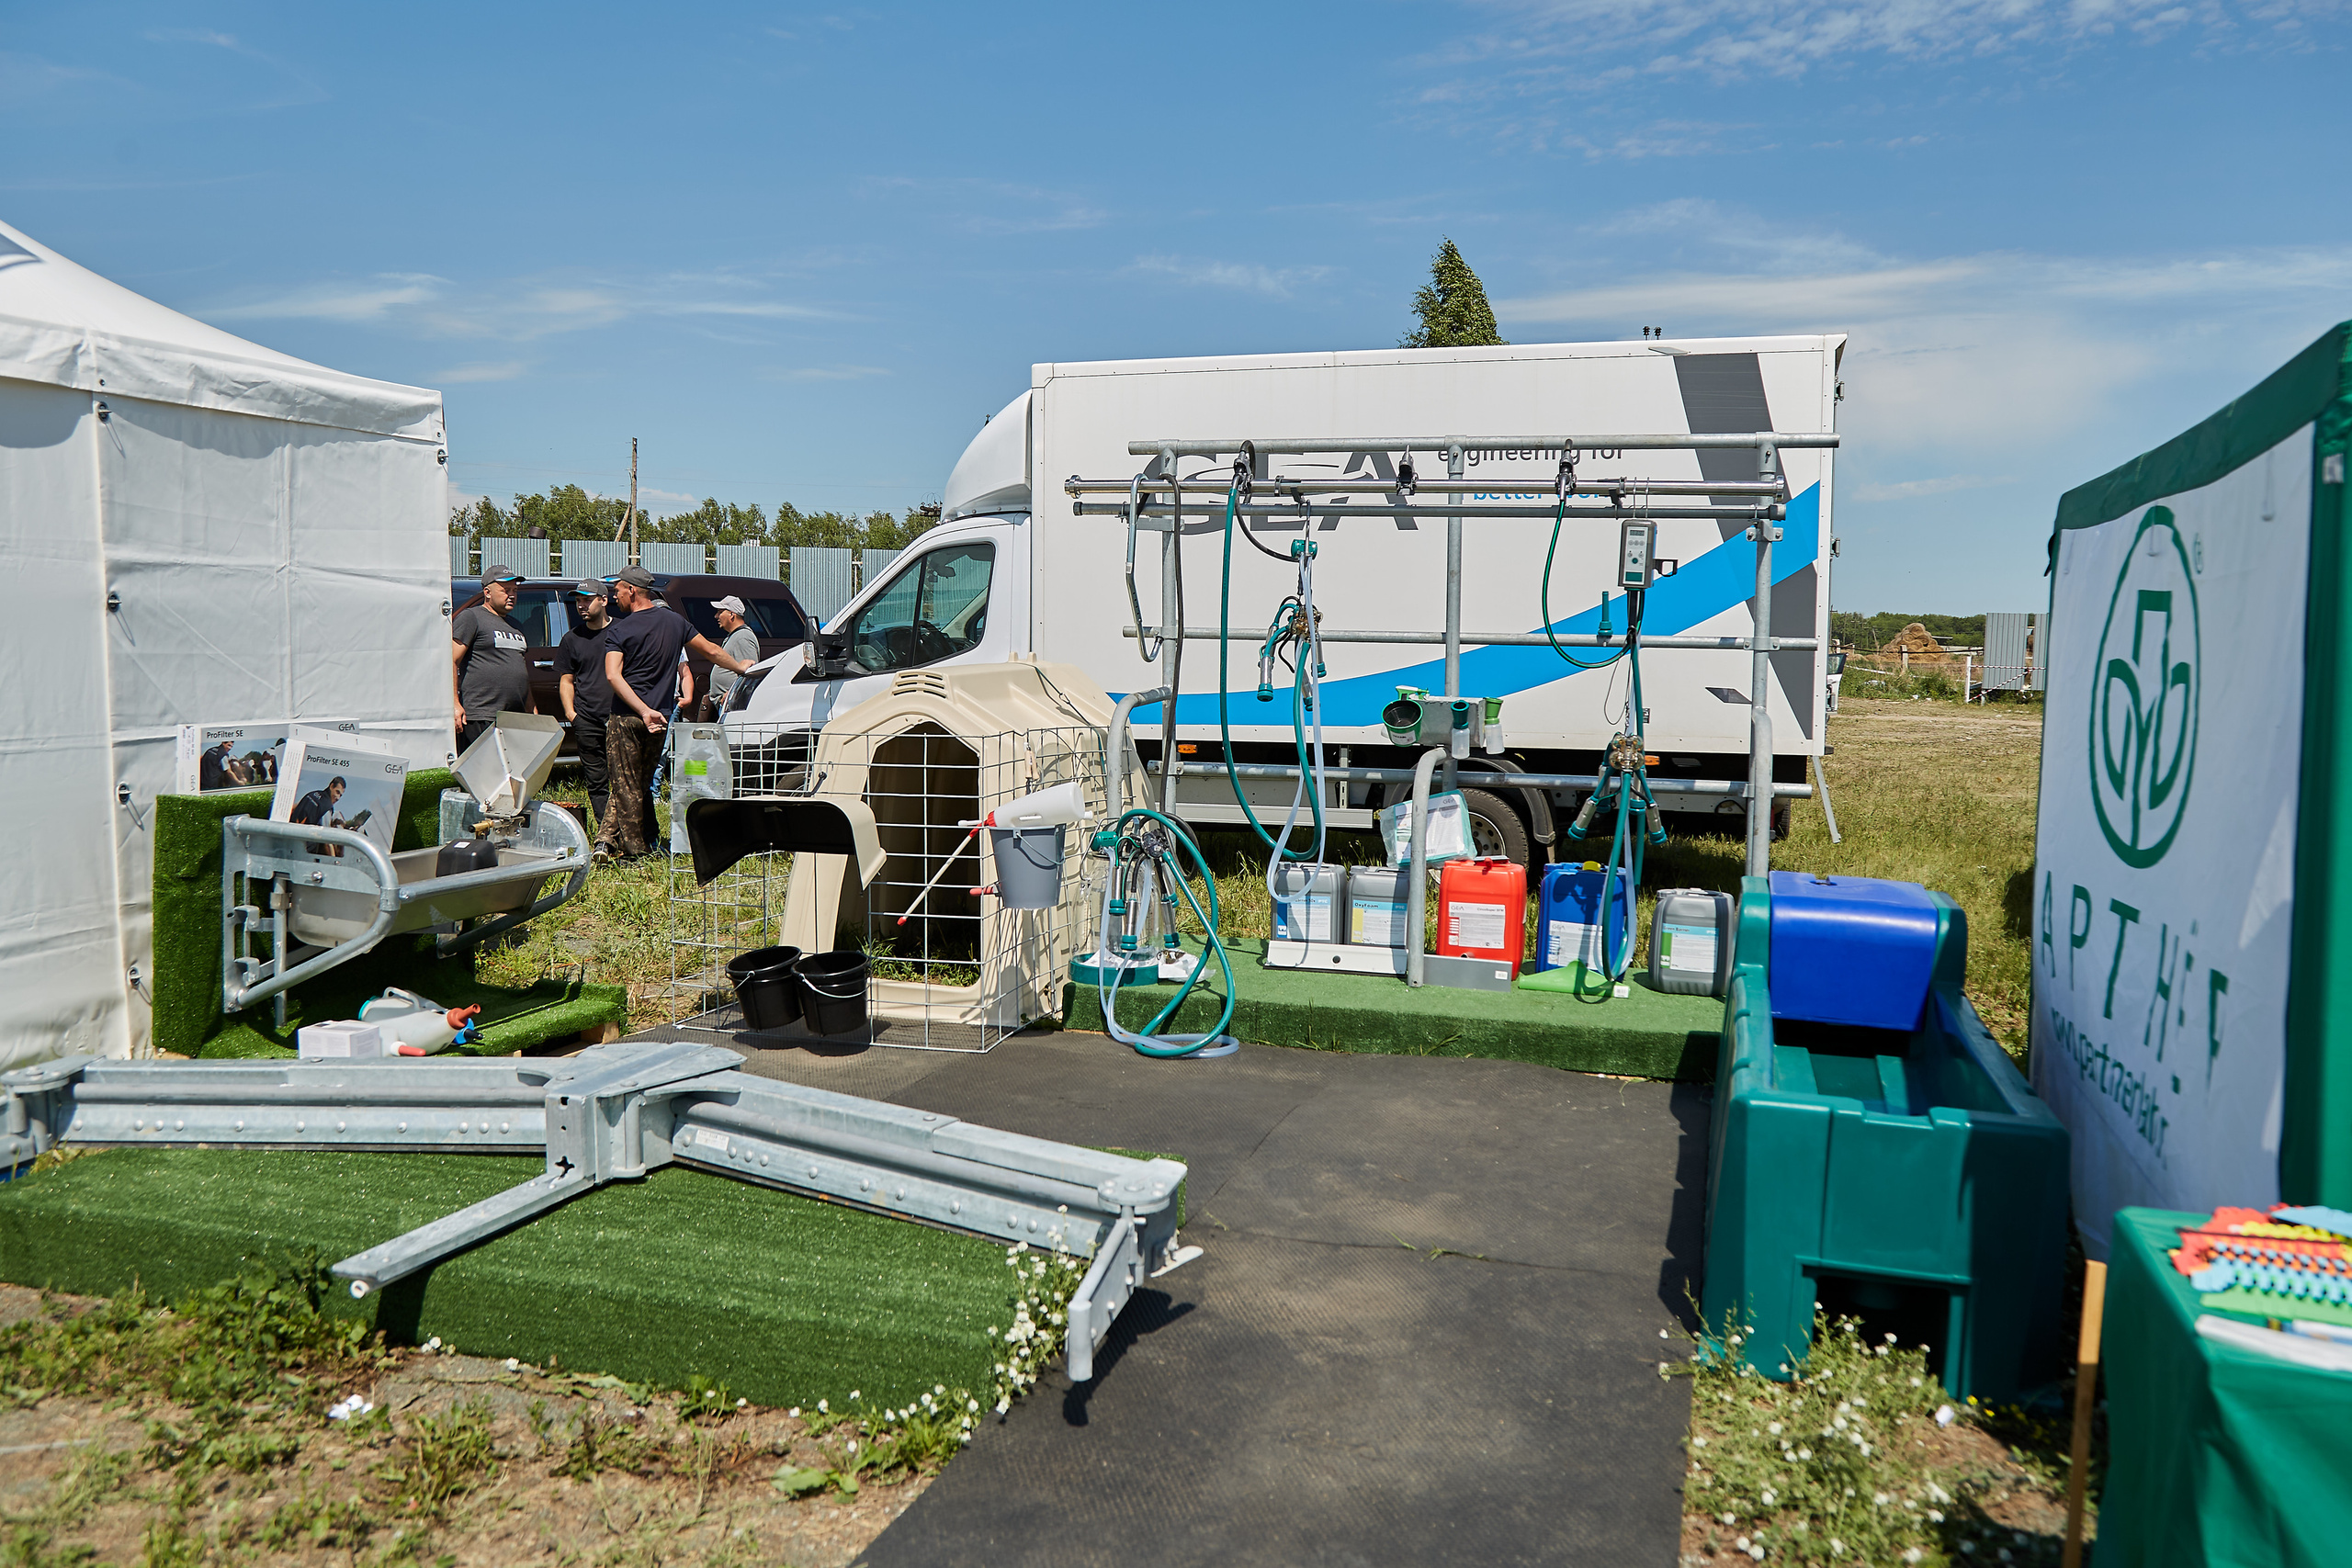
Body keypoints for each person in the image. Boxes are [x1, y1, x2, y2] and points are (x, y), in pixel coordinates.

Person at [597, 567, 755, 861]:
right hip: (661, 716)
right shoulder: (676, 622)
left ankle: (635, 853)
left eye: (617, 589)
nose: (614, 595)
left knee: (626, 786)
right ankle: (613, 840)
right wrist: (739, 667)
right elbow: (710, 651)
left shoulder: (619, 630)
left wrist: (642, 710)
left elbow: (612, 675)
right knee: (641, 784)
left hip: (627, 718)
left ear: (632, 590)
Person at [451, 567, 537, 752]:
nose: (512, 595)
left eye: (515, 590)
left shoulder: (516, 626)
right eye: (506, 590)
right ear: (487, 592)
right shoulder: (472, 617)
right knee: (482, 768)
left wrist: (531, 709)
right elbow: (451, 661)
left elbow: (521, 671)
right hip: (481, 715)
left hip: (513, 717)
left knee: (510, 767)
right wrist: (455, 704)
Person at [554, 579, 616, 829]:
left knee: (625, 781)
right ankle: (605, 833)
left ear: (604, 600)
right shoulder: (572, 638)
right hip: (587, 720)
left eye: (587, 600)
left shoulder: (622, 631)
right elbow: (566, 680)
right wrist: (572, 715)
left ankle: (630, 832)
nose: (581, 605)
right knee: (596, 781)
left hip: (620, 718)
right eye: (578, 600)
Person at [703, 595, 763, 719]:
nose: (716, 616)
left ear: (731, 614)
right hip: (726, 704)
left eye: (720, 612)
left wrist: (730, 695)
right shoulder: (735, 636)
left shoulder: (743, 637)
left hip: (731, 705)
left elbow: (750, 675)